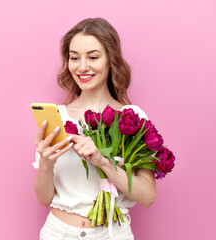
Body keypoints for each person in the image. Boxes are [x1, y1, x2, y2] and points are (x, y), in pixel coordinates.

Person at [33, 18, 156, 240]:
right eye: (74, 58)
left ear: (111, 60)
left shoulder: (133, 118)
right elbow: (44, 199)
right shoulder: (56, 119)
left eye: (93, 57)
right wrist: (45, 164)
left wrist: (103, 161)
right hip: (57, 233)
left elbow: (147, 196)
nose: (82, 67)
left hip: (112, 234)